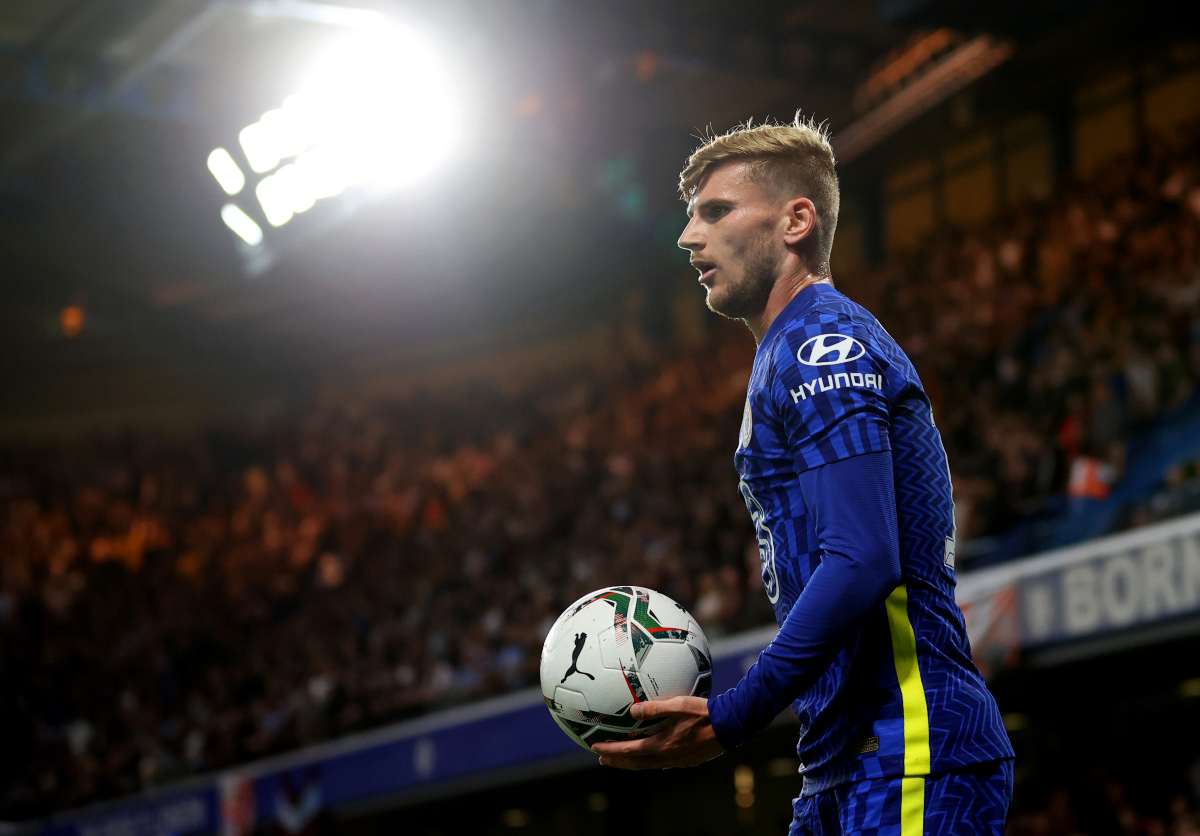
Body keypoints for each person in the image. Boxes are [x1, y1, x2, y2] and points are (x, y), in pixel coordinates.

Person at [591, 114, 1015, 835]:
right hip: (847, 762)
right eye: (692, 216)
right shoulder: (789, 348)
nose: (688, 236)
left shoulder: (823, 342)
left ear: (796, 221)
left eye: (716, 212)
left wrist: (734, 714)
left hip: (909, 744)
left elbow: (861, 557)